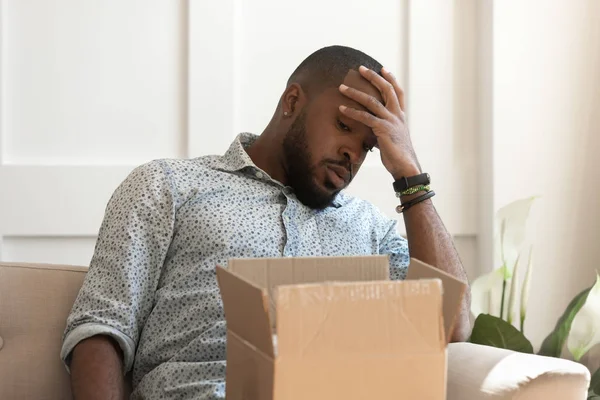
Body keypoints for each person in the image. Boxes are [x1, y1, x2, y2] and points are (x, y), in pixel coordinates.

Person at [61, 45, 471, 400]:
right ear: (292, 102)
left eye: (369, 146)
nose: (352, 153)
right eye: (344, 127)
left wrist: (411, 176)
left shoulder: (370, 229)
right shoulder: (169, 186)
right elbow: (102, 328)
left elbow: (452, 328)